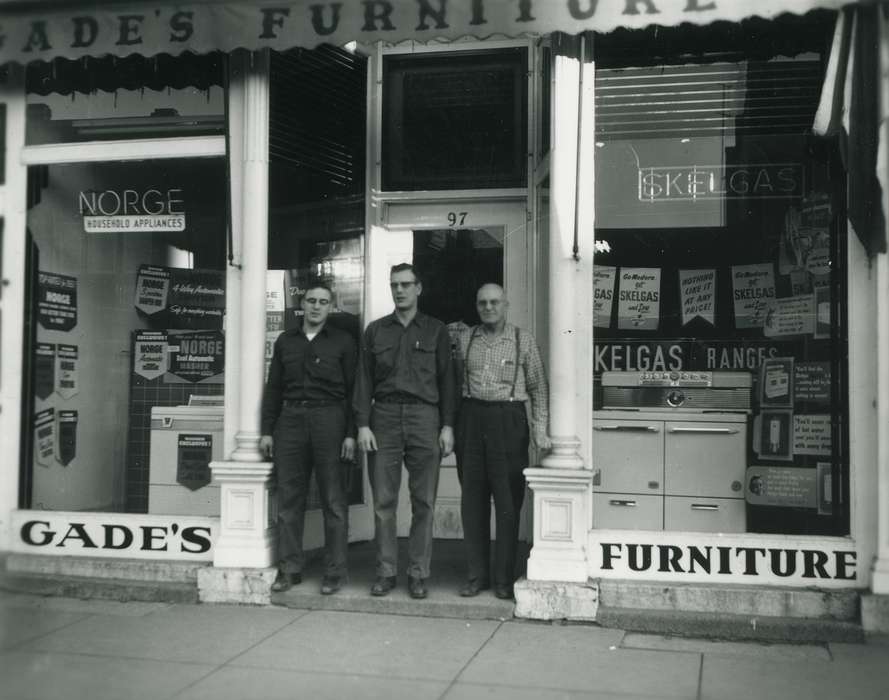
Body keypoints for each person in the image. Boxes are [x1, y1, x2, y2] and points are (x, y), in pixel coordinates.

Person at [354, 263, 456, 599]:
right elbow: (364, 379)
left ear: (419, 288)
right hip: (382, 417)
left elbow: (447, 381)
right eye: (394, 284)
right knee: (384, 501)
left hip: (424, 417)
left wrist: (447, 425)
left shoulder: (436, 331)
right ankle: (385, 572)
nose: (400, 290)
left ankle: (418, 573)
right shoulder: (375, 331)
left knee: (423, 500)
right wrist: (363, 423)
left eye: (406, 284)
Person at [260, 281, 357, 595]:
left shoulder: (343, 342)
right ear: (303, 304)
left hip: (330, 419)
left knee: (334, 501)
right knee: (289, 501)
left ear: (332, 306)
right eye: (312, 300)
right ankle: (289, 569)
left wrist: (351, 434)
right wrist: (266, 430)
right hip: (290, 421)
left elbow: (355, 391)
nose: (317, 306)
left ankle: (335, 572)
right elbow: (273, 388)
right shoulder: (286, 342)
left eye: (323, 302)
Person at [454, 283, 550, 600]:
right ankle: (476, 575)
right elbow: (455, 385)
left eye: (495, 302)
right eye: (482, 303)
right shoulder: (466, 339)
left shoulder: (523, 340)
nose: (488, 308)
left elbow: (538, 389)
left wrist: (539, 430)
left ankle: (503, 578)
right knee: (472, 501)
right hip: (472, 418)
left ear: (506, 305)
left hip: (508, 421)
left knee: (508, 503)